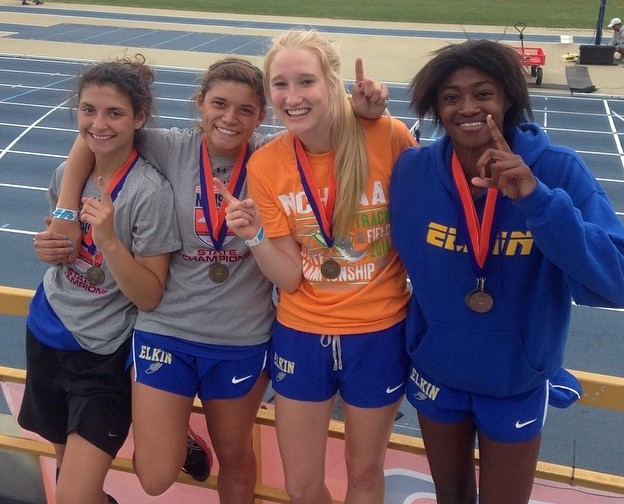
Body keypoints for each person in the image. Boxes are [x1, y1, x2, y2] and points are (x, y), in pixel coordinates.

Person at [51, 55, 389, 503]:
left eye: (245, 109)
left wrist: (362, 113)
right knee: (154, 476)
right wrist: (65, 210)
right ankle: (181, 435)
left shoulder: (274, 155)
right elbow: (94, 136)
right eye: (219, 104)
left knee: (235, 456)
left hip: (240, 337)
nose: (230, 118)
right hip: (167, 328)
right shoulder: (170, 146)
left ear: (261, 116)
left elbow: (327, 130)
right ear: (200, 105)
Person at [389, 39, 624, 504]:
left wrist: (537, 201)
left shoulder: (558, 171)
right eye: (451, 97)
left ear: (507, 99)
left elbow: (620, 284)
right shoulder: (412, 171)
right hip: (437, 372)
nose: (468, 107)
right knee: (450, 496)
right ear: (436, 109)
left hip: (514, 380)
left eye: (483, 93)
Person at [220, 29, 417, 504]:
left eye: (306, 81)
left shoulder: (389, 137)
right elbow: (289, 278)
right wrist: (256, 237)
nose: (293, 97)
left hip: (378, 333)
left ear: (332, 82)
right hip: (302, 334)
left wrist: (372, 111)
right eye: (280, 85)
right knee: (301, 485)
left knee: (364, 474)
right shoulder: (266, 165)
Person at [18, 56, 180, 504]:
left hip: (101, 357)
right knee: (69, 481)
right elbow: (62, 250)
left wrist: (108, 240)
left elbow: (149, 295)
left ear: (140, 118)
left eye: (114, 113)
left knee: (72, 497)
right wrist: (48, 249)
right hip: (47, 333)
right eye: (88, 110)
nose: (99, 124)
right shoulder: (66, 177)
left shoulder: (150, 193)